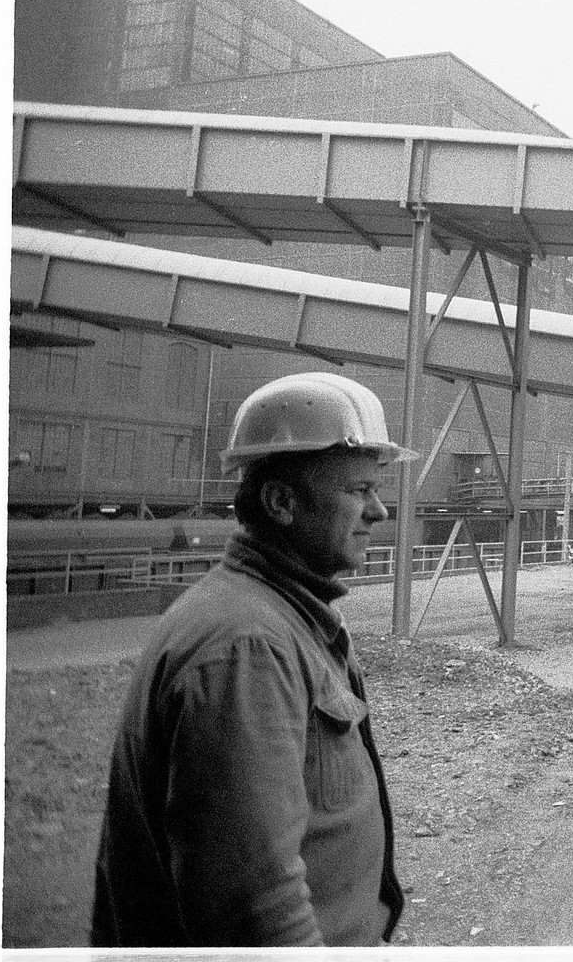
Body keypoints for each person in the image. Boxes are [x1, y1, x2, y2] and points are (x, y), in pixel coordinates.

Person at [91, 372, 417, 947]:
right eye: (357, 489)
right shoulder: (246, 648)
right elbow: (253, 907)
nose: (378, 511)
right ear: (282, 502)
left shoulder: (278, 617)